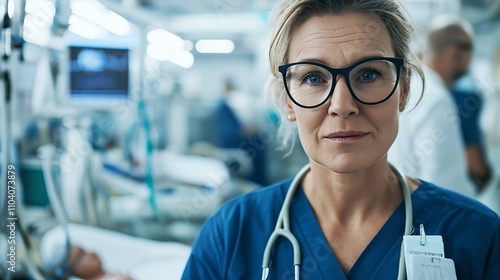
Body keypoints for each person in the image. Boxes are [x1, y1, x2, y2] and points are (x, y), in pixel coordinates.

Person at [181, 0, 500, 279]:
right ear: (288, 101)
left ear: (403, 90)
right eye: (314, 78)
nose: (343, 106)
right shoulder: (231, 235)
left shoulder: (478, 237)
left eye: (369, 74)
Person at [389, 15, 478, 196]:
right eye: (470, 50)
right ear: (456, 53)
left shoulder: (409, 88)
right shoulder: (438, 100)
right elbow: (447, 186)